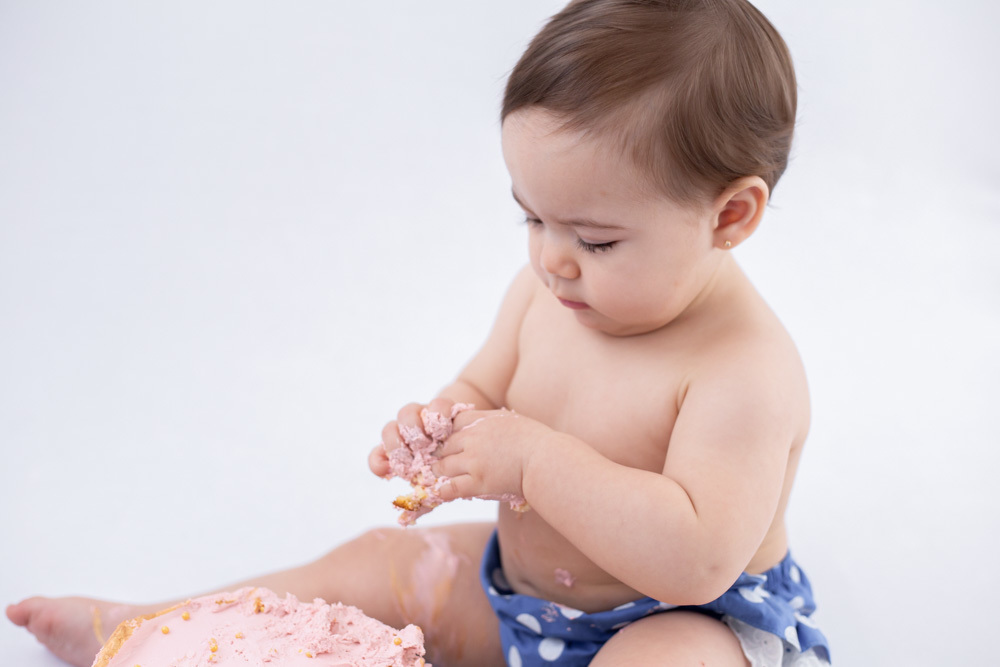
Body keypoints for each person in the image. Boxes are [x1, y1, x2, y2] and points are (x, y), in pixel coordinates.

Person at [6, 1, 831, 665]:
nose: (552, 258)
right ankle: (151, 627)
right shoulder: (548, 293)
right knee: (377, 564)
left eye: (596, 240)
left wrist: (535, 462)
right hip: (522, 595)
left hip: (689, 621)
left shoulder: (742, 370)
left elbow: (695, 560)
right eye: (532, 217)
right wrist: (439, 426)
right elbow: (482, 388)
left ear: (730, 215)